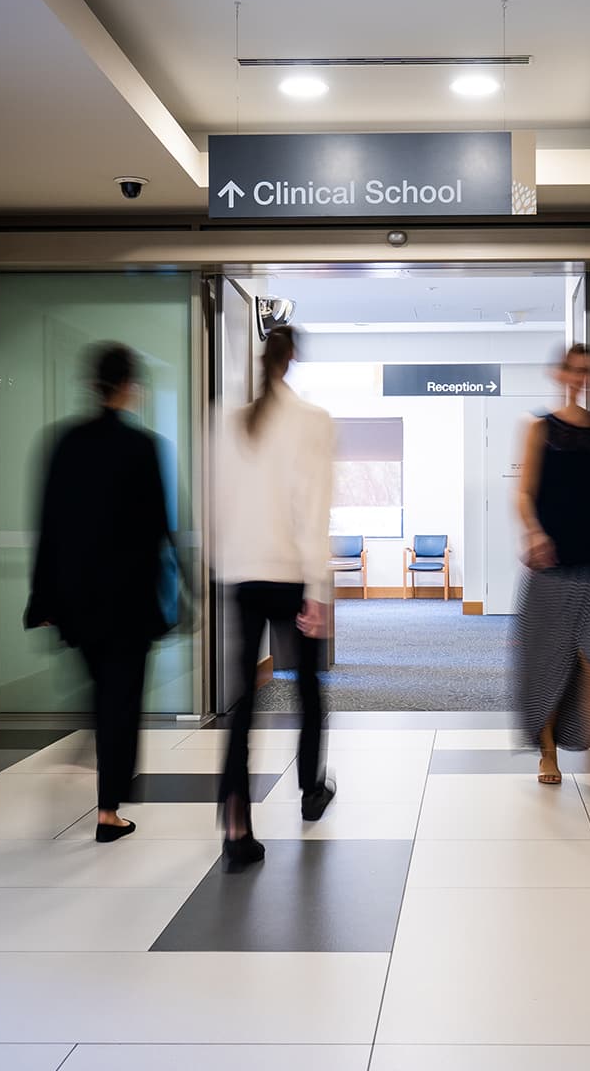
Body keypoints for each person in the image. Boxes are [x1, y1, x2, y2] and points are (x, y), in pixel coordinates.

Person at [24, 342, 179, 843]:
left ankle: (102, 766)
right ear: (130, 388)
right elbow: (160, 528)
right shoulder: (144, 447)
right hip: (130, 602)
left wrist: (42, 599)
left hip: (80, 601)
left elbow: (48, 525)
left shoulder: (65, 443)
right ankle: (108, 809)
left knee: (103, 693)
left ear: (94, 385)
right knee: (123, 700)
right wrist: (181, 591)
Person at [212, 325, 338, 869]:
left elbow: (215, 506)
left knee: (243, 699)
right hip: (290, 573)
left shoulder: (227, 422)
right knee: (308, 685)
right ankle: (311, 789)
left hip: (241, 574)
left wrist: (224, 567)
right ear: (293, 360)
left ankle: (237, 823)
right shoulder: (312, 421)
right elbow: (313, 511)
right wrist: (318, 589)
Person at [513, 343, 590, 801]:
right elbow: (524, 494)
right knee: (548, 664)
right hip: (552, 569)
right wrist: (534, 533)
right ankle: (548, 754)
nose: (583, 377)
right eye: (576, 369)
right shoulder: (538, 428)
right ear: (560, 374)